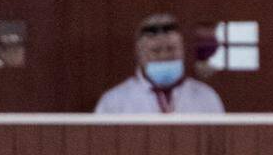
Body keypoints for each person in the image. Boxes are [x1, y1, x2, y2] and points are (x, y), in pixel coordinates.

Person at [94, 14, 224, 115]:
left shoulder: (206, 97)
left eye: (171, 49)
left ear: (182, 51)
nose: (164, 56)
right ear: (140, 55)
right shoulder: (114, 101)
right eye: (156, 51)